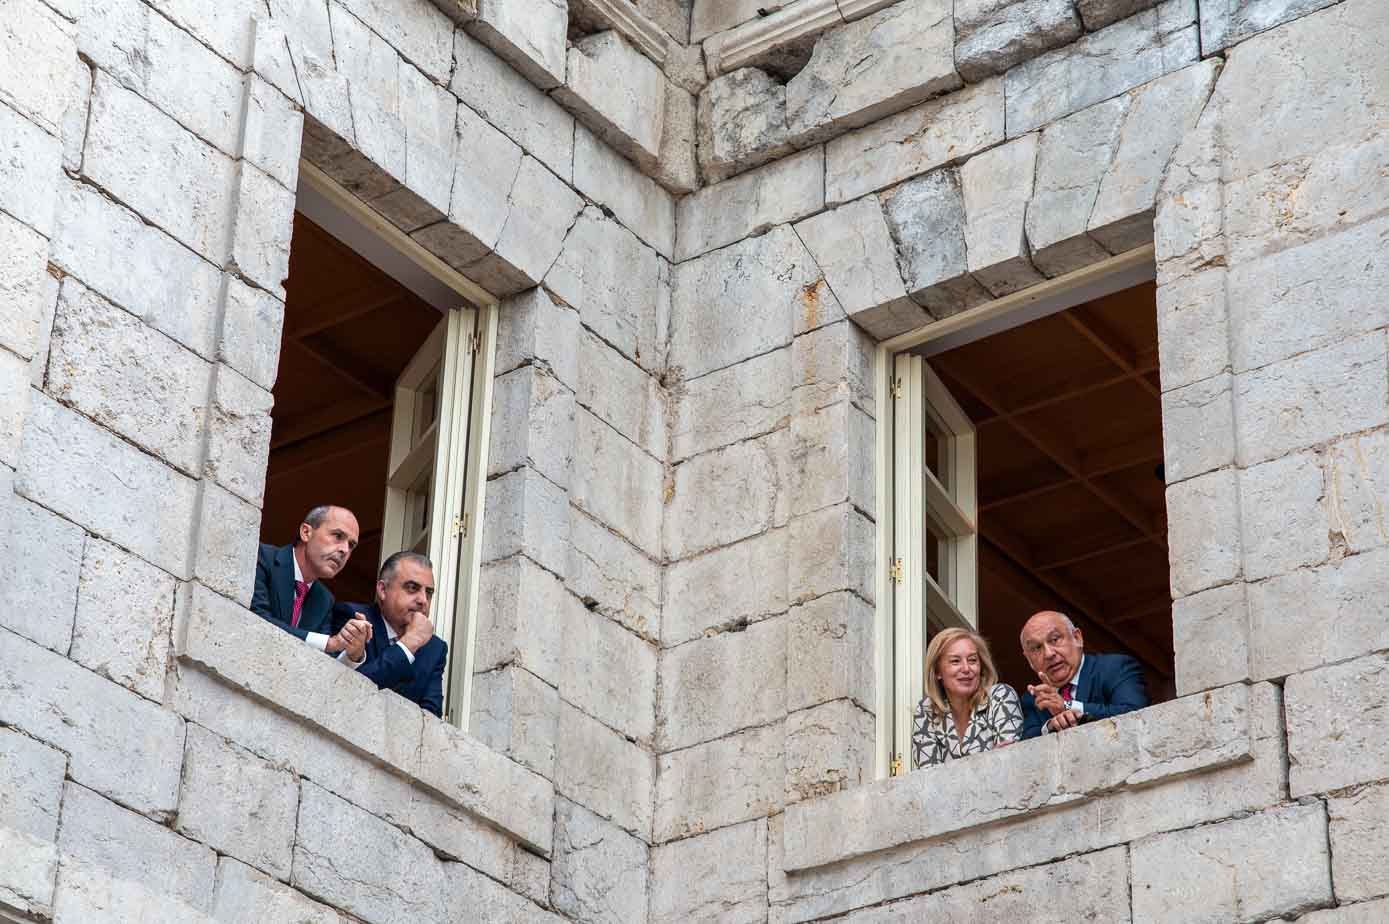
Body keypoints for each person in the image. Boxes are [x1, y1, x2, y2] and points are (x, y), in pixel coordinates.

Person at [331, 551, 447, 718]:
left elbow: (430, 717)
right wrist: (407, 645)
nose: (423, 600)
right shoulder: (352, 616)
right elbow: (345, 690)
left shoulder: (435, 648)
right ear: (383, 590)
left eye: (428, 593)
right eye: (412, 588)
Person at [250, 505, 371, 664]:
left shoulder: (324, 599)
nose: (344, 550)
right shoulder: (261, 556)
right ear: (306, 532)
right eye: (338, 535)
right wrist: (330, 643)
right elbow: (256, 618)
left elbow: (324, 662)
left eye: (351, 545)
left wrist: (353, 652)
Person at [1018, 610, 1149, 739]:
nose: (1048, 654)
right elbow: (1024, 743)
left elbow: (1136, 713)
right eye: (1036, 648)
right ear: (1029, 660)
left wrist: (1067, 705)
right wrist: (1050, 726)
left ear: (1077, 638)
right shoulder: (1033, 699)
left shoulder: (1114, 668)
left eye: (1055, 639)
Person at [911, 627, 1022, 768]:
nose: (966, 669)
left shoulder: (1000, 696)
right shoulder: (927, 711)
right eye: (955, 661)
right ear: (937, 671)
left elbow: (1008, 762)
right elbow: (928, 779)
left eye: (972, 660)